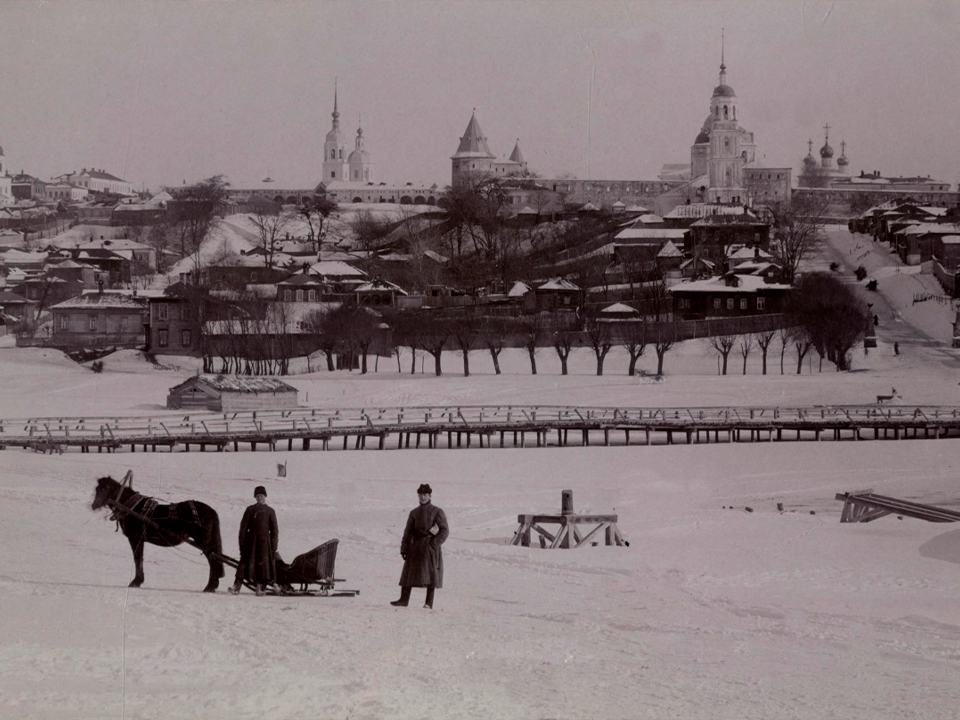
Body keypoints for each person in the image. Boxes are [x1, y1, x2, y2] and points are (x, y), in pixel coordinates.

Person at [391, 483, 448, 609]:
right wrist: (404, 548)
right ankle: (403, 600)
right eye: (421, 495)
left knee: (431, 574)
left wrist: (433, 544)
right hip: (415, 546)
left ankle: (428, 603)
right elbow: (407, 532)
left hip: (430, 547)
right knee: (408, 572)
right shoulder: (414, 513)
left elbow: (444, 531)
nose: (423, 498)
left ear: (430, 495)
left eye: (425, 495)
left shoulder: (437, 511)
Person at [229, 485, 278, 596]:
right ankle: (236, 587)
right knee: (243, 564)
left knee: (263, 566)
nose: (259, 497)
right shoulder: (250, 510)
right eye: (257, 496)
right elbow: (243, 529)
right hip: (250, 543)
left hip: (265, 544)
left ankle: (260, 588)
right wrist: (242, 545)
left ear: (265, 496)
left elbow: (275, 530)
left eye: (261, 495)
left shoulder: (270, 511)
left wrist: (273, 547)